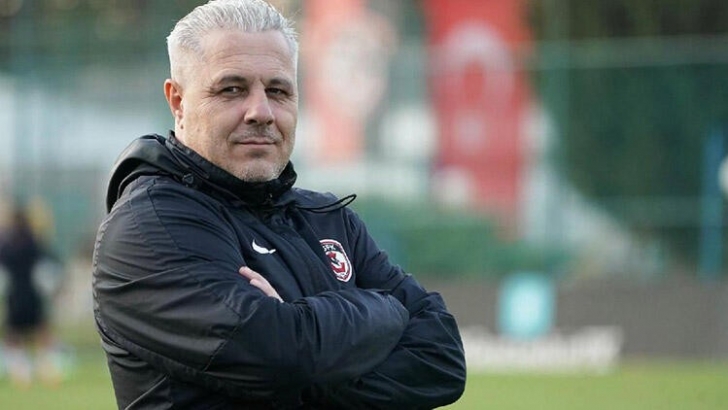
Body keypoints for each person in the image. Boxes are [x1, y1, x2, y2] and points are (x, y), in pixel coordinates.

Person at [92, 0, 466, 408]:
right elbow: (279, 357)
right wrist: (386, 310)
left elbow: (443, 359)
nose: (261, 112)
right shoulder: (149, 227)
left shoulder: (329, 220)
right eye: (232, 89)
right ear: (178, 101)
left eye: (278, 90)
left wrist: (307, 343)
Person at [0, 204, 63, 388]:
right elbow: (51, 259)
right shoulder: (33, 241)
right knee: (41, 332)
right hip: (32, 294)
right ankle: (47, 370)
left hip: (15, 294)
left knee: (14, 335)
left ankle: (22, 374)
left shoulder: (7, 244)